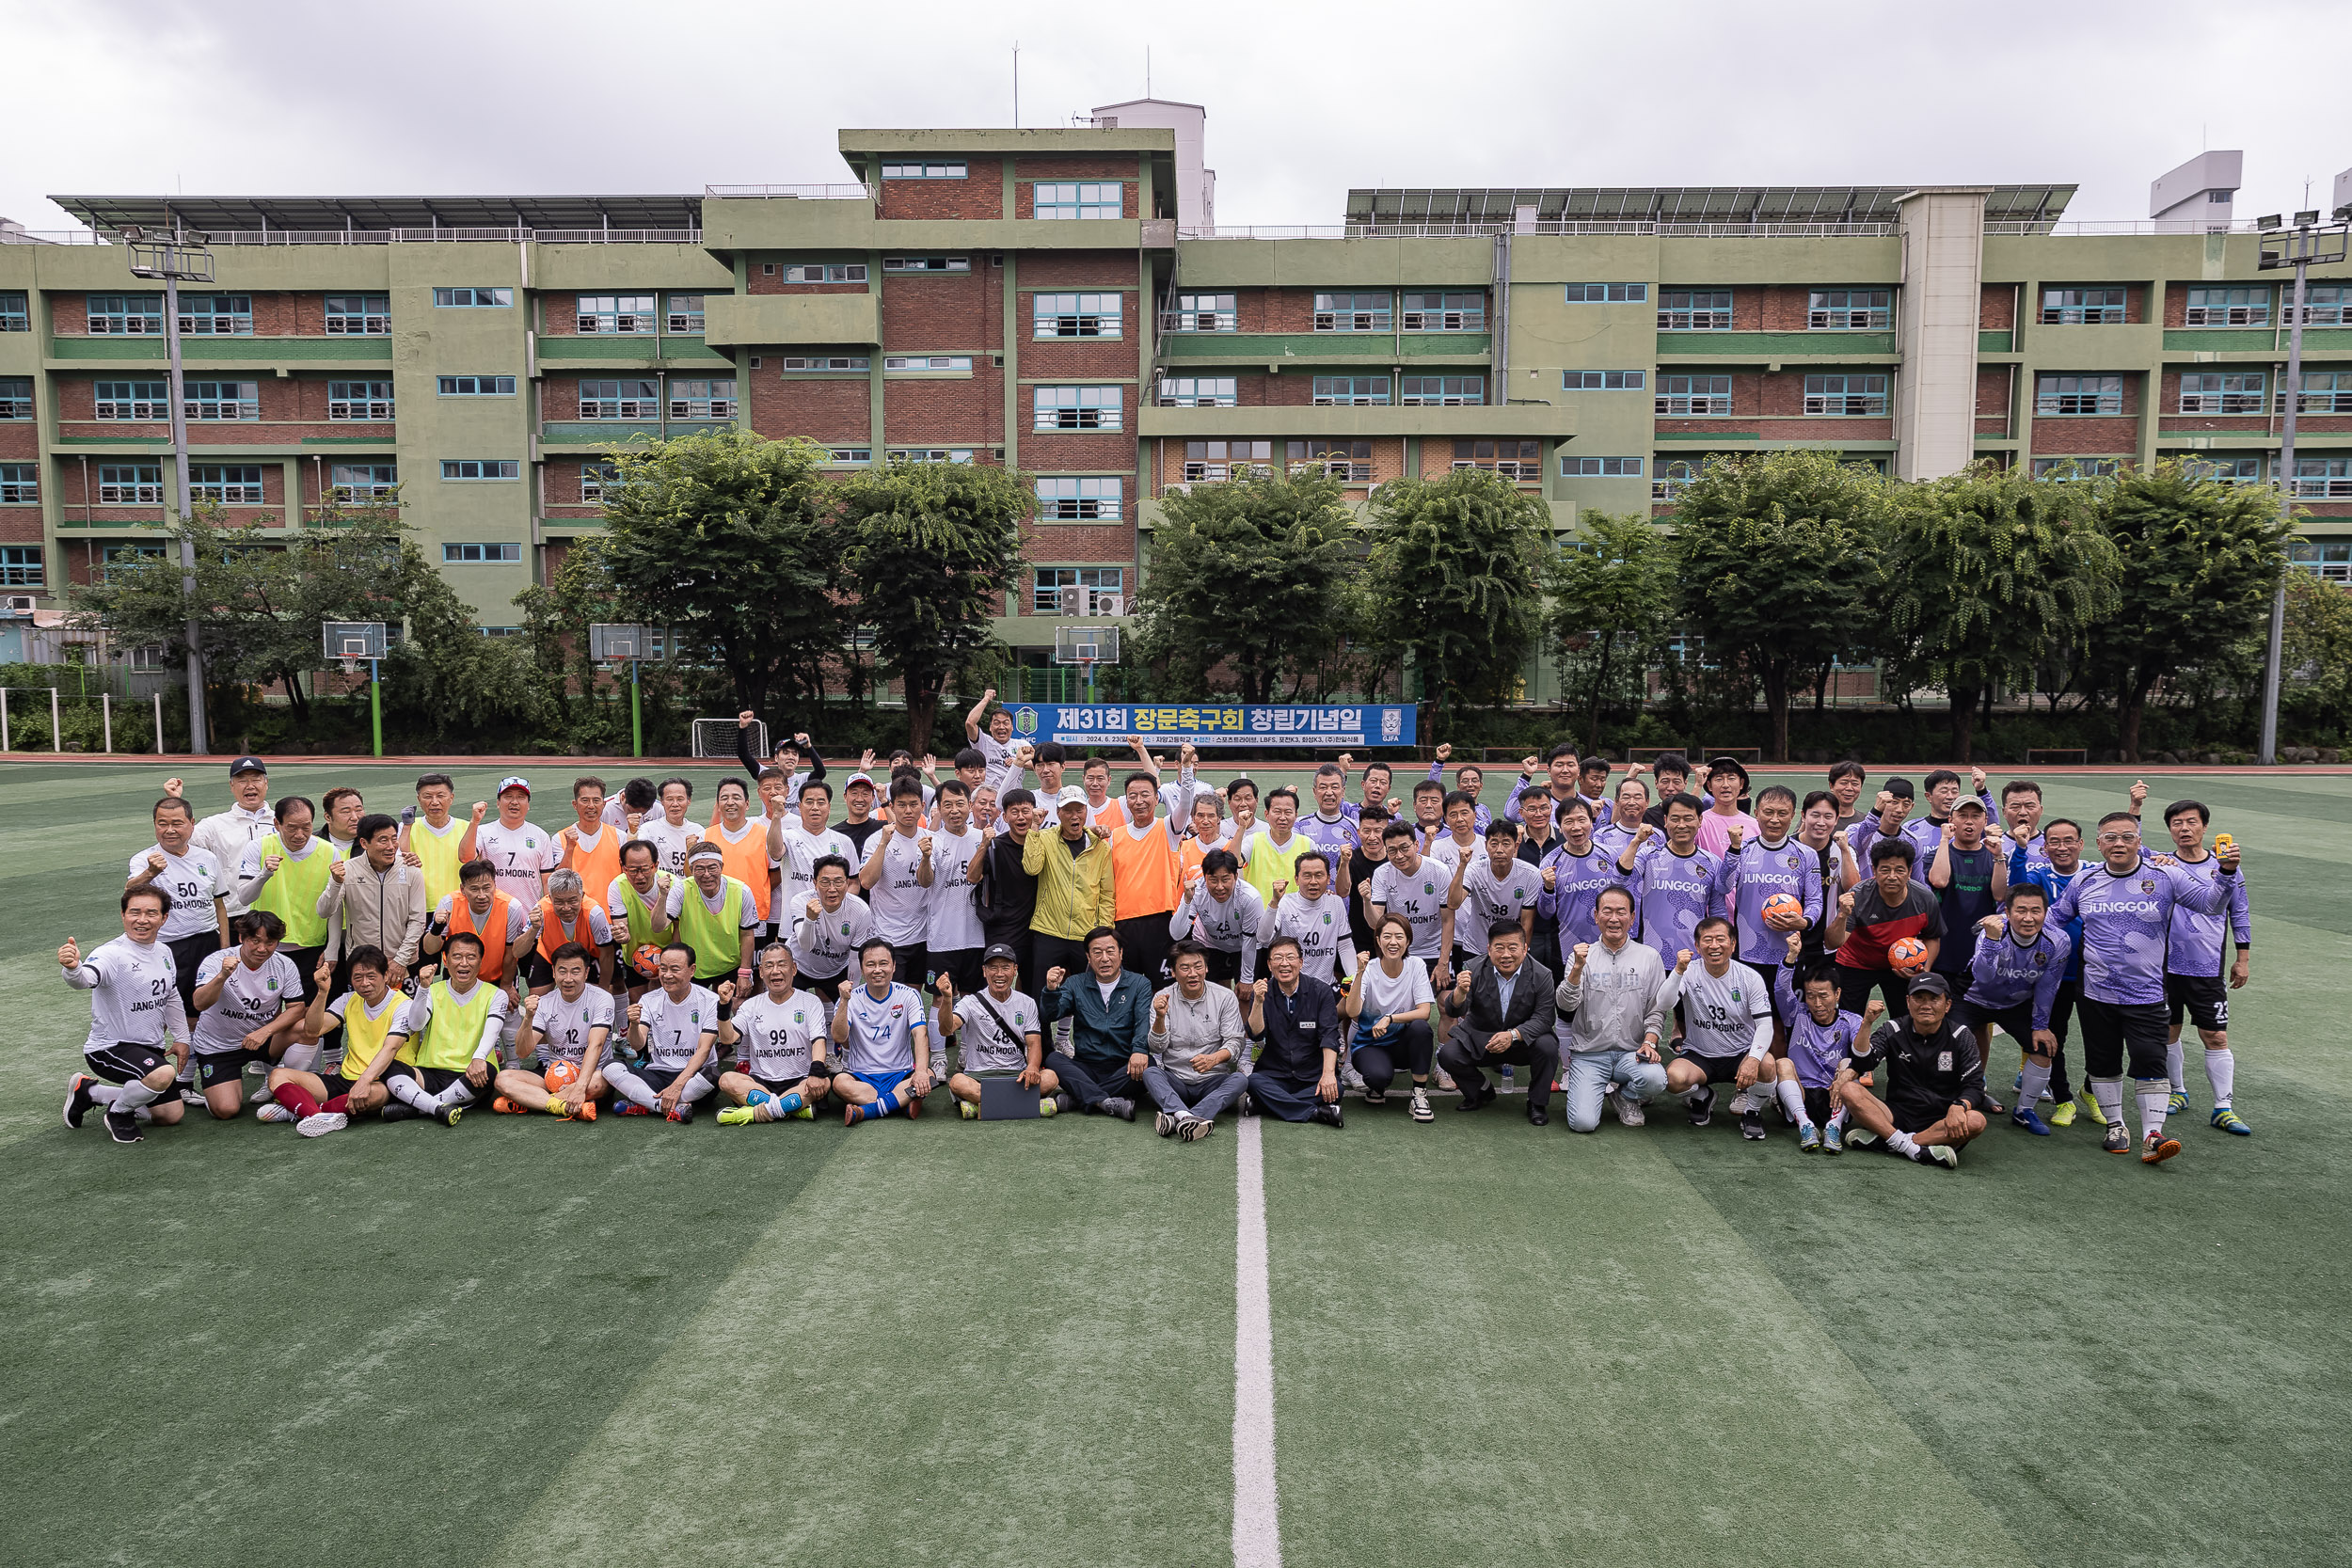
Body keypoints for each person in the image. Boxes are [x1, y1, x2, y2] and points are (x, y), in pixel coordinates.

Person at [2050, 812, 2242, 1163]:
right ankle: (2116, 1126)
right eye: (2110, 837)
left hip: (2148, 993)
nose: (2118, 843)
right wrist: (2008, 923)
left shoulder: (2165, 875)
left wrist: (2226, 873)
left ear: (2139, 840)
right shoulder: (2084, 881)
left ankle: (2152, 1134)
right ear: (2098, 844)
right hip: (2096, 993)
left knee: (2151, 1061)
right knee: (2103, 1063)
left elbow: (2211, 905)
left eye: (2126, 836)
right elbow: (2052, 917)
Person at [2148, 798, 2252, 1133]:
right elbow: (2129, 839)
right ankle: (2177, 1091)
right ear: (2169, 830)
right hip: (2164, 967)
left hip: (2207, 967)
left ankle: (2223, 1106)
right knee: (2168, 1031)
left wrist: (2242, 958)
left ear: (2205, 827)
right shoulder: (2161, 865)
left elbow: (2240, 912)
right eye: (2176, 823)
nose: (2184, 829)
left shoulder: (2224, 867)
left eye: (2191, 822)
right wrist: (2135, 805)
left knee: (2216, 1036)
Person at [59, 885, 192, 1144]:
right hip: (110, 1047)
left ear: (164, 918)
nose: (142, 920)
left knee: (170, 1114)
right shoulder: (111, 953)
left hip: (149, 1048)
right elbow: (86, 979)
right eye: (135, 912)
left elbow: (171, 995)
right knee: (163, 1075)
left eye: (151, 913)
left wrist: (182, 1038)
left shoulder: (164, 952)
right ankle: (118, 1114)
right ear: (123, 915)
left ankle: (90, 1092)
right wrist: (73, 968)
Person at [1836, 973, 1988, 1170]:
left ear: (1947, 1005)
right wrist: (1867, 1023)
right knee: (1849, 1090)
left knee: (1977, 1121)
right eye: (1919, 998)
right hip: (1896, 1113)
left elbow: (1975, 1086)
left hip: (1941, 1118)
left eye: (1934, 999)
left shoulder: (1961, 1036)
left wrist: (1959, 1106)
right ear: (1908, 1002)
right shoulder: (1893, 1028)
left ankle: (1891, 1141)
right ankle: (1918, 1149)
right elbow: (1864, 1063)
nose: (1926, 1005)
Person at [1554, 885, 1675, 1133]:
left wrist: (1650, 1042)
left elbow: (1656, 1010)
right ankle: (1597, 1091)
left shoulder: (1649, 957)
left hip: (1631, 1053)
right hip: (1589, 1055)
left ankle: (1626, 1097)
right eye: (1607, 911)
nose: (1614, 918)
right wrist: (1577, 969)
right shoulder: (1581, 956)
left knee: (1655, 1078)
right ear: (1596, 916)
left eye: (1621, 912)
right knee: (1582, 1124)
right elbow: (1565, 1005)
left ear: (1632, 917)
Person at [1959, 883, 2072, 1137]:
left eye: (2036, 911)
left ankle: (2024, 1111)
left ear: (2046, 912)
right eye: (2021, 911)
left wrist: (2041, 1025)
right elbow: (1984, 978)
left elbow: (2048, 985)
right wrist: (1991, 941)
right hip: (1972, 998)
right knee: (1951, 1042)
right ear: (2007, 913)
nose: (2029, 918)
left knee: (2044, 1047)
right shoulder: (1992, 932)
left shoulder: (2058, 940)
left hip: (2015, 1004)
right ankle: (1965, 1096)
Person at [367, 931, 510, 1126]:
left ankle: (418, 1107)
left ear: (480, 961)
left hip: (470, 1074)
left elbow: (492, 1032)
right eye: (457, 956)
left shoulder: (496, 994)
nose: (464, 963)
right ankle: (437, 1107)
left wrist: (478, 1058)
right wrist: (423, 988)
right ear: (446, 959)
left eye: (471, 957)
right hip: (429, 1074)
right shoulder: (433, 990)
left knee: (490, 1073)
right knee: (390, 1066)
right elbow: (416, 1024)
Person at [1718, 786, 1822, 1034]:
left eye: (1782, 813)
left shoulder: (1806, 855)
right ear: (1756, 813)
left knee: (1786, 1018)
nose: (1774, 819)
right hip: (1747, 953)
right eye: (1768, 812)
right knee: (1747, 1018)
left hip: (1788, 953)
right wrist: (1732, 850)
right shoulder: (1743, 850)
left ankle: (1786, 1068)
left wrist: (1803, 922)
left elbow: (1816, 901)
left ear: (1793, 815)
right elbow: (1722, 886)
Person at [1661, 916, 1777, 1138]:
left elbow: (1765, 1024)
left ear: (1733, 944)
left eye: (1721, 939)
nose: (1714, 946)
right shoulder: (1688, 972)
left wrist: (1753, 1059)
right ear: (1697, 946)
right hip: (1700, 1055)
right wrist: (1677, 971)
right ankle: (1702, 1096)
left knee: (1767, 1065)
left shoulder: (1750, 978)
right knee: (1673, 1079)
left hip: (1740, 1054)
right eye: (1707, 940)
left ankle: (1751, 1113)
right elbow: (1664, 1004)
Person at [268, 944, 403, 1135]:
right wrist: (322, 992)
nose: (365, 983)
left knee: (377, 1095)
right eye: (358, 977)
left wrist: (365, 1081)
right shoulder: (348, 999)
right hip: (346, 1079)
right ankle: (316, 1114)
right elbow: (313, 1030)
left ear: (386, 975)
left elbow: (390, 1049)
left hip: (380, 1080)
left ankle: (301, 1110)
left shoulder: (403, 1004)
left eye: (371, 976)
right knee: (278, 1076)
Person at [2005, 816, 2088, 1126]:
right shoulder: (2039, 874)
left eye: (2069, 841)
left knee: (2101, 1037)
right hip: (2056, 974)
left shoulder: (2094, 873)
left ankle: (2092, 1089)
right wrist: (2021, 849)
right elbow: (2015, 889)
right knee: (2056, 1037)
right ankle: (2064, 1099)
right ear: (2046, 847)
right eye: (2054, 841)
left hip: (2095, 971)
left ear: (2081, 844)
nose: (2062, 847)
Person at [1434, 922, 1558, 1122]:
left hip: (1521, 1040)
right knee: (1448, 1054)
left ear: (1525, 949)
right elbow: (1454, 1010)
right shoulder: (1473, 968)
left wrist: (1512, 1035)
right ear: (1489, 949)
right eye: (1499, 948)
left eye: (1512, 947)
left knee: (1548, 1046)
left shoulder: (1542, 974)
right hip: (1482, 1038)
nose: (1506, 954)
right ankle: (1481, 1091)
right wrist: (1459, 994)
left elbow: (1544, 1018)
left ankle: (1537, 1103)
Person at [1770, 933, 1882, 1152]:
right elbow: (1782, 991)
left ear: (1837, 994)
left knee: (1849, 1062)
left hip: (1835, 1096)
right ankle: (1805, 1125)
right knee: (1782, 1064)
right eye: (1811, 996)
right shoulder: (1797, 1015)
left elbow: (1865, 1058)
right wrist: (1792, 955)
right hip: (1800, 1095)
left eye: (1824, 995)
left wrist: (1868, 1022)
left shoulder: (1852, 1020)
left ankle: (1834, 1127)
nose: (1817, 1003)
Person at [129, 793, 229, 1035]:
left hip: (206, 943)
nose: (169, 830)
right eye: (162, 823)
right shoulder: (144, 859)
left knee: (200, 1012)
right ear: (154, 825)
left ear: (192, 824)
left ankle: (188, 1070)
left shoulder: (207, 858)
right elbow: (130, 891)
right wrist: (151, 872)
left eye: (177, 823)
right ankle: (147, 1065)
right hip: (166, 946)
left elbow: (219, 905)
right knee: (159, 1012)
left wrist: (225, 948)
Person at [1136, 940, 1248, 1139]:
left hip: (1212, 1080)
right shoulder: (1163, 997)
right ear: (1173, 972)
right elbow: (1156, 1047)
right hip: (1176, 1081)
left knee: (1239, 1080)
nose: (1193, 973)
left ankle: (1179, 1116)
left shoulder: (1225, 997)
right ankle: (1189, 1117)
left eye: (1198, 966)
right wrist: (1160, 1017)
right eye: (1185, 968)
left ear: (1206, 968)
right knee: (1151, 1073)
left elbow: (1236, 1042)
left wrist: (1214, 1059)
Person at [1039, 927, 1152, 1119]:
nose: (1105, 958)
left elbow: (1143, 1022)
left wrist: (1139, 1050)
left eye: (1110, 951)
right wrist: (1051, 990)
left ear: (1121, 953)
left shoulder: (1139, 984)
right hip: (1087, 1065)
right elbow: (1052, 1014)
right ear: (1088, 957)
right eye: (1097, 952)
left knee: (1151, 1066)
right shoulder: (1075, 983)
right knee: (1053, 1059)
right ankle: (1105, 1102)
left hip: (1124, 1066)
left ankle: (1078, 1098)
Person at [494, 942, 616, 1118]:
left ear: (586, 973)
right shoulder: (545, 1003)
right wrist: (528, 1018)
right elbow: (522, 1052)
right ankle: (561, 1106)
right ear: (553, 972)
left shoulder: (602, 999)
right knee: (503, 1079)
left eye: (575, 971)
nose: (568, 979)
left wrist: (580, 1088)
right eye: (562, 971)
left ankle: (531, 1102)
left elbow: (596, 1045)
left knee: (601, 1080)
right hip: (554, 1077)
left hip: (590, 1076)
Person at [936, 943, 1058, 1118]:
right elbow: (946, 1029)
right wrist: (947, 999)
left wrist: (1032, 1067)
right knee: (958, 1082)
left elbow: (1033, 1043)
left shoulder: (1027, 1003)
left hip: (1016, 1075)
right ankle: (1027, 1105)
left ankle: (982, 1106)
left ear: (1015, 970)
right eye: (993, 968)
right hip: (978, 1076)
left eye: (1005, 967)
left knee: (1051, 1077)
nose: (999, 974)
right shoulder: (970, 1002)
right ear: (984, 971)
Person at [715, 943, 833, 1125]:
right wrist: (724, 1007)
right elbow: (727, 1038)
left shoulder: (810, 1001)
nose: (775, 971)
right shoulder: (751, 1005)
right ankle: (791, 1109)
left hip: (800, 1080)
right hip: (761, 1083)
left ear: (793, 969)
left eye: (782, 964)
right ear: (761, 972)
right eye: (769, 966)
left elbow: (819, 1041)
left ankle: (752, 1114)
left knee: (824, 1083)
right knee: (727, 1080)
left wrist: (816, 1072)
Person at [1825, 839, 1943, 1020]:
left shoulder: (1924, 898)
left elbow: (1932, 937)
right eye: (1885, 870)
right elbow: (1832, 943)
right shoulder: (1859, 895)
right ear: (1874, 870)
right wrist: (1842, 915)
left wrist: (1923, 969)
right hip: (1856, 962)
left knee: (1905, 1019)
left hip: (1900, 966)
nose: (1892, 876)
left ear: (1910, 872)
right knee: (1848, 1020)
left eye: (1900, 870)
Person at [1613, 795, 1730, 977]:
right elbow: (1619, 882)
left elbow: (1717, 911)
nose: (1681, 825)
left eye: (1688, 818)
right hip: (1651, 956)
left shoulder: (1711, 862)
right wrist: (1636, 842)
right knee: (1652, 1006)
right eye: (1675, 819)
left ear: (1700, 820)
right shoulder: (1648, 856)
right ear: (1666, 821)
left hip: (1695, 958)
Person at [235, 795, 335, 1007]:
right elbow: (244, 896)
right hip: (266, 947)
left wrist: (332, 948)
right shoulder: (258, 848)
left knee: (305, 1014)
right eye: (291, 828)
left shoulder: (329, 851)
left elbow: (335, 907)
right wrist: (263, 874)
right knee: (260, 1012)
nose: (300, 835)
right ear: (276, 824)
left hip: (311, 948)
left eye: (306, 827)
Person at [1108, 751, 1198, 986]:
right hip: (1123, 923)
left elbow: (1186, 803)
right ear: (1126, 801)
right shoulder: (1115, 836)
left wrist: (1186, 769)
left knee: (1163, 990)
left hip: (1160, 922)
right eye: (1133, 795)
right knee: (1128, 990)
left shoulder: (1168, 828)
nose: (1139, 801)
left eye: (1145, 794)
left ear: (1157, 798)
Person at [612, 943, 725, 1122]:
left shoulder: (710, 1000)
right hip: (659, 1073)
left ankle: (646, 1103)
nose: (667, 975)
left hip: (693, 1075)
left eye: (675, 969)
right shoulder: (649, 1000)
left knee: (713, 1075)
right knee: (611, 1067)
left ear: (692, 970)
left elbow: (704, 1050)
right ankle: (670, 1106)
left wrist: (678, 1085)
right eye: (663, 969)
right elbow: (637, 1044)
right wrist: (633, 1025)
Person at [317, 812, 427, 997]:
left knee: (405, 1019)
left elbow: (418, 921)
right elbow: (324, 911)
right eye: (383, 840)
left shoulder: (411, 870)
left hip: (404, 964)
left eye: (394, 839)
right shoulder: (347, 871)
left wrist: (400, 961)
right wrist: (336, 882)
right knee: (363, 1019)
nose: (391, 846)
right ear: (364, 843)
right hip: (362, 965)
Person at [1239, 936, 1344, 1128]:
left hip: (1312, 1074)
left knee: (1336, 1087)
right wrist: (1258, 1002)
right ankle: (1314, 1111)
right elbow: (1255, 1035)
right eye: (1278, 958)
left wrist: (1328, 1073)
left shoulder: (1320, 991)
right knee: (1253, 1082)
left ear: (1301, 962)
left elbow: (1330, 1035)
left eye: (1290, 957)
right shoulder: (1262, 991)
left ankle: (1268, 1104)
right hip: (1274, 1073)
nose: (1284, 963)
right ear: (1270, 965)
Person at [1024, 787, 1117, 994]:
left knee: (1086, 995)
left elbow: (1106, 895)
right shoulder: (1045, 838)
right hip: (1048, 931)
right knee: (1042, 993)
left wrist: (1102, 931)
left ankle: (1075, 1029)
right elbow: (1031, 868)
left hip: (1085, 934)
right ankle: (1041, 1029)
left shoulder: (1100, 848)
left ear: (1086, 811)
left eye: (1079, 810)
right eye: (1068, 810)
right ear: (1058, 813)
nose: (1074, 816)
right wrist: (1034, 827)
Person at [1343, 914, 1437, 1120]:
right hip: (1371, 1043)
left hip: (1403, 1043)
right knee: (1377, 1077)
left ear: (1408, 940)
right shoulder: (1368, 969)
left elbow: (1425, 1012)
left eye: (1399, 937)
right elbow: (1352, 1012)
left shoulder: (1417, 965)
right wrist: (1359, 972)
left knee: (1420, 1028)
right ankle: (1377, 1086)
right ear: (1378, 940)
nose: (1393, 942)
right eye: (1387, 936)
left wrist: (1390, 1018)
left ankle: (1419, 1094)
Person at [830, 938, 932, 1124]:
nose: (877, 970)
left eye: (883, 963)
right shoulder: (850, 998)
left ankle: (866, 1111)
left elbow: (920, 1034)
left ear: (893, 966)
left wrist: (922, 1072)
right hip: (862, 1076)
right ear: (862, 969)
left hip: (901, 1073)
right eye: (871, 964)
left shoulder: (909, 994)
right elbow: (838, 1036)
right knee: (839, 1082)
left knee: (930, 1076)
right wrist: (844, 1001)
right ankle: (900, 1101)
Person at [424, 860, 532, 1025]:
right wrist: (437, 928)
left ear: (495, 885)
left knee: (509, 1025)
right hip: (459, 976)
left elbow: (511, 952)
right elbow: (430, 948)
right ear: (463, 889)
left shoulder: (511, 906)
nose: (481, 895)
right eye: (474, 889)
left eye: (487, 888)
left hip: (498, 975)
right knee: (459, 1024)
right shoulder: (449, 903)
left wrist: (505, 987)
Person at [176, 755, 276, 918]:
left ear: (266, 783)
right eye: (242, 780)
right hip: (235, 913)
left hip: (278, 911)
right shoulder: (215, 825)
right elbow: (182, 841)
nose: (250, 786)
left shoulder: (282, 822)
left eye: (256, 779)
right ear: (231, 785)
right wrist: (175, 801)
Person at [1536, 798, 1626, 975]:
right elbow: (1545, 912)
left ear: (1591, 823)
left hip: (1610, 942)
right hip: (1568, 946)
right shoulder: (1551, 862)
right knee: (1571, 999)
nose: (1576, 827)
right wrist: (1548, 888)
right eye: (1568, 822)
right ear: (1560, 827)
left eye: (1582, 820)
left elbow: (1623, 895)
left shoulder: (1609, 854)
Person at [1442, 817, 1538, 981]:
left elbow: (1526, 924)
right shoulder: (1474, 870)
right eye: (1494, 844)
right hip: (1476, 948)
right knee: (1473, 998)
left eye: (1506, 844)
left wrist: (1521, 954)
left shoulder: (1530, 875)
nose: (1499, 850)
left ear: (1516, 846)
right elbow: (1453, 903)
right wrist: (1462, 866)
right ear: (1486, 846)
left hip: (1510, 951)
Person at [666, 841, 759, 1003]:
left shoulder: (741, 891)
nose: (707, 874)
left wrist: (744, 973)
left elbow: (747, 934)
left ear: (722, 867)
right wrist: (662, 896)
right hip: (694, 966)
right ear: (691, 869)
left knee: (737, 1006)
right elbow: (662, 926)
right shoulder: (681, 889)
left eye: (712, 867)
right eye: (699, 868)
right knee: (689, 1008)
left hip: (730, 965)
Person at [973, 787, 1042, 998]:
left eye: (1026, 811)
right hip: (1003, 927)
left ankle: (1031, 1030)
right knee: (998, 986)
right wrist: (984, 845)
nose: (1021, 817)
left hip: (1038, 929)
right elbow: (972, 877)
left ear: (1034, 813)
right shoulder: (997, 846)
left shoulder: (1043, 843)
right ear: (1004, 816)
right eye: (1014, 812)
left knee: (1033, 989)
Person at [924, 780, 990, 1001]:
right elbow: (925, 881)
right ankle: (944, 1038)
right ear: (939, 808)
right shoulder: (933, 841)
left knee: (973, 998)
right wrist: (924, 857)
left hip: (977, 936)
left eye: (960, 804)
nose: (954, 810)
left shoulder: (982, 838)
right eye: (948, 805)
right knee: (941, 997)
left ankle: (970, 1038)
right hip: (943, 937)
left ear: (970, 806)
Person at [1259, 849, 1359, 990]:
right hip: (1289, 987)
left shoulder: (1336, 903)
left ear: (1329, 878)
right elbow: (1263, 938)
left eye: (1319, 875)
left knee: (1351, 1008)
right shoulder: (1285, 902)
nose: (1313, 882)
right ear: (1296, 879)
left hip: (1325, 987)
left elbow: (1344, 945)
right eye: (1307, 876)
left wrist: (1354, 978)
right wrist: (1274, 902)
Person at [1365, 820, 1450, 979]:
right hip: (1398, 950)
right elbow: (1375, 923)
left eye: (1404, 848)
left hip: (1433, 950)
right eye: (1392, 850)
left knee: (1446, 1001)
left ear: (1416, 845)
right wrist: (1366, 901)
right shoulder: (1382, 873)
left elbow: (1448, 920)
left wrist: (1443, 962)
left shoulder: (1439, 871)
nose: (1399, 856)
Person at [1171, 847, 1264, 990]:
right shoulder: (1197, 891)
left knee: (1245, 993)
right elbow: (1176, 933)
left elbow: (1249, 941)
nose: (1219, 887)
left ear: (1235, 877)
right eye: (1213, 880)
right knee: (1203, 991)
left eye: (1225, 879)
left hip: (1243, 945)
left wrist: (1246, 979)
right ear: (1204, 877)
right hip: (1209, 943)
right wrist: (1186, 901)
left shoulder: (1250, 898)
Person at [788, 853, 873, 1007]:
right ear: (815, 883)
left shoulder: (861, 911)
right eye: (825, 882)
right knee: (790, 1010)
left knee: (846, 1010)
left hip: (836, 969)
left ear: (847, 883)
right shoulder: (800, 901)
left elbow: (855, 958)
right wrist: (810, 919)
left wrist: (850, 992)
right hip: (798, 966)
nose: (832, 889)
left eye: (838, 882)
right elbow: (806, 946)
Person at [461, 776, 558, 911]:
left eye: (521, 797)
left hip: (529, 913)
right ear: (498, 802)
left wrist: (549, 912)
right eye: (508, 796)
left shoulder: (540, 836)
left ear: (528, 805)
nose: (514, 802)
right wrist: (474, 822)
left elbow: (547, 881)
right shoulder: (483, 832)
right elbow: (465, 857)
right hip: (491, 912)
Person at [773, 780, 854, 928]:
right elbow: (775, 852)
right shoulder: (787, 837)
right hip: (792, 926)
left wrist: (839, 906)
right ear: (800, 806)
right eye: (809, 802)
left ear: (829, 807)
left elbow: (854, 882)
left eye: (821, 802)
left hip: (832, 926)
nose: (815, 808)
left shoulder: (844, 841)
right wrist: (776, 815)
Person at [703, 777, 778, 938]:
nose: (730, 802)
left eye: (736, 797)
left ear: (747, 804)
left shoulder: (765, 834)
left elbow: (776, 874)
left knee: (750, 962)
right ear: (718, 805)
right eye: (724, 798)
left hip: (754, 917)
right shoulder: (706, 835)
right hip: (715, 916)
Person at [524, 868, 615, 995]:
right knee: (536, 999)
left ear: (582, 896)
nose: (566, 908)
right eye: (559, 902)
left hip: (588, 955)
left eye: (572, 901)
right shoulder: (541, 909)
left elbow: (607, 953)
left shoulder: (594, 913)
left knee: (598, 995)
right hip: (549, 955)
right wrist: (533, 930)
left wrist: (604, 989)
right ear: (550, 898)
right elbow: (518, 951)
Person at [606, 839, 678, 998]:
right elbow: (622, 928)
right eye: (632, 870)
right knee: (637, 1000)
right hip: (636, 955)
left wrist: (673, 956)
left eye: (645, 869)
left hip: (668, 952)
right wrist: (622, 935)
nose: (639, 876)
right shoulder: (617, 886)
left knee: (668, 1000)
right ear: (623, 867)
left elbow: (679, 927)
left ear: (656, 865)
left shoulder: (673, 885)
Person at [401, 771, 470, 908]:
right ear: (419, 799)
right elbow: (400, 860)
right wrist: (406, 827)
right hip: (418, 908)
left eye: (440, 796)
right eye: (427, 797)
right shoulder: (406, 828)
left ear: (451, 798)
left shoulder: (468, 829)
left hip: (459, 907)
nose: (434, 802)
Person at [1238, 784, 1311, 911]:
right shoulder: (1252, 841)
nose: (1282, 817)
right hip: (1257, 915)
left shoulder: (1308, 844)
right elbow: (1234, 860)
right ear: (1266, 814)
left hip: (1295, 916)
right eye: (1277, 811)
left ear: (1296, 815)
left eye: (1288, 812)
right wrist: (1241, 827)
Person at [963, 688, 1025, 802]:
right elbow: (970, 723)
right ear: (990, 727)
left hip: (1013, 799)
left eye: (1006, 723)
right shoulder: (983, 742)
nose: (1001, 727)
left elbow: (1036, 764)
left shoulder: (1021, 744)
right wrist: (986, 698)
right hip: (989, 800)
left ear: (1012, 727)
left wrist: (1018, 762)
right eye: (996, 723)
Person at [1693, 756, 1760, 861]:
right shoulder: (1700, 823)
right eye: (1719, 779)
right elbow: (1686, 816)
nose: (1725, 785)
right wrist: (1698, 785)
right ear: (1709, 785)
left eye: (1731, 778)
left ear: (1741, 784)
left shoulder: (1755, 825)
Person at [639, 777, 706, 876]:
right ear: (662, 801)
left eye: (680, 799)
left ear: (689, 800)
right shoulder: (648, 830)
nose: (675, 804)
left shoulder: (698, 831)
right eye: (669, 799)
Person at [1502, 742, 1580, 826]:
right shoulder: (1536, 802)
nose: (1565, 770)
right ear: (1549, 771)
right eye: (1559, 765)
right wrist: (1526, 776)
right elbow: (1511, 815)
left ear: (1579, 771)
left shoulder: (1588, 804)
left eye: (1570, 765)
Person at [1423, 743, 1493, 830]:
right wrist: (1439, 761)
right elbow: (1433, 789)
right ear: (1458, 786)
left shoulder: (1484, 810)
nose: (1470, 784)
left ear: (1481, 785)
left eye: (1474, 781)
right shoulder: (1449, 803)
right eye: (1465, 781)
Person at [834, 770, 885, 858]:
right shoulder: (835, 833)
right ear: (845, 797)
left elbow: (900, 832)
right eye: (854, 793)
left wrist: (884, 801)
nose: (859, 799)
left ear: (873, 798)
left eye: (865, 794)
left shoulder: (882, 829)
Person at [320, 785, 366, 858]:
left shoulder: (374, 843)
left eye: (359, 810)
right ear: (328, 817)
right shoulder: (310, 845)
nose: (354, 818)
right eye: (346, 812)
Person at [1825, 760, 1868, 832]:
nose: (1849, 788)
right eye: (1843, 783)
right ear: (1831, 786)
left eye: (1855, 784)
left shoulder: (1864, 822)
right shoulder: (1817, 818)